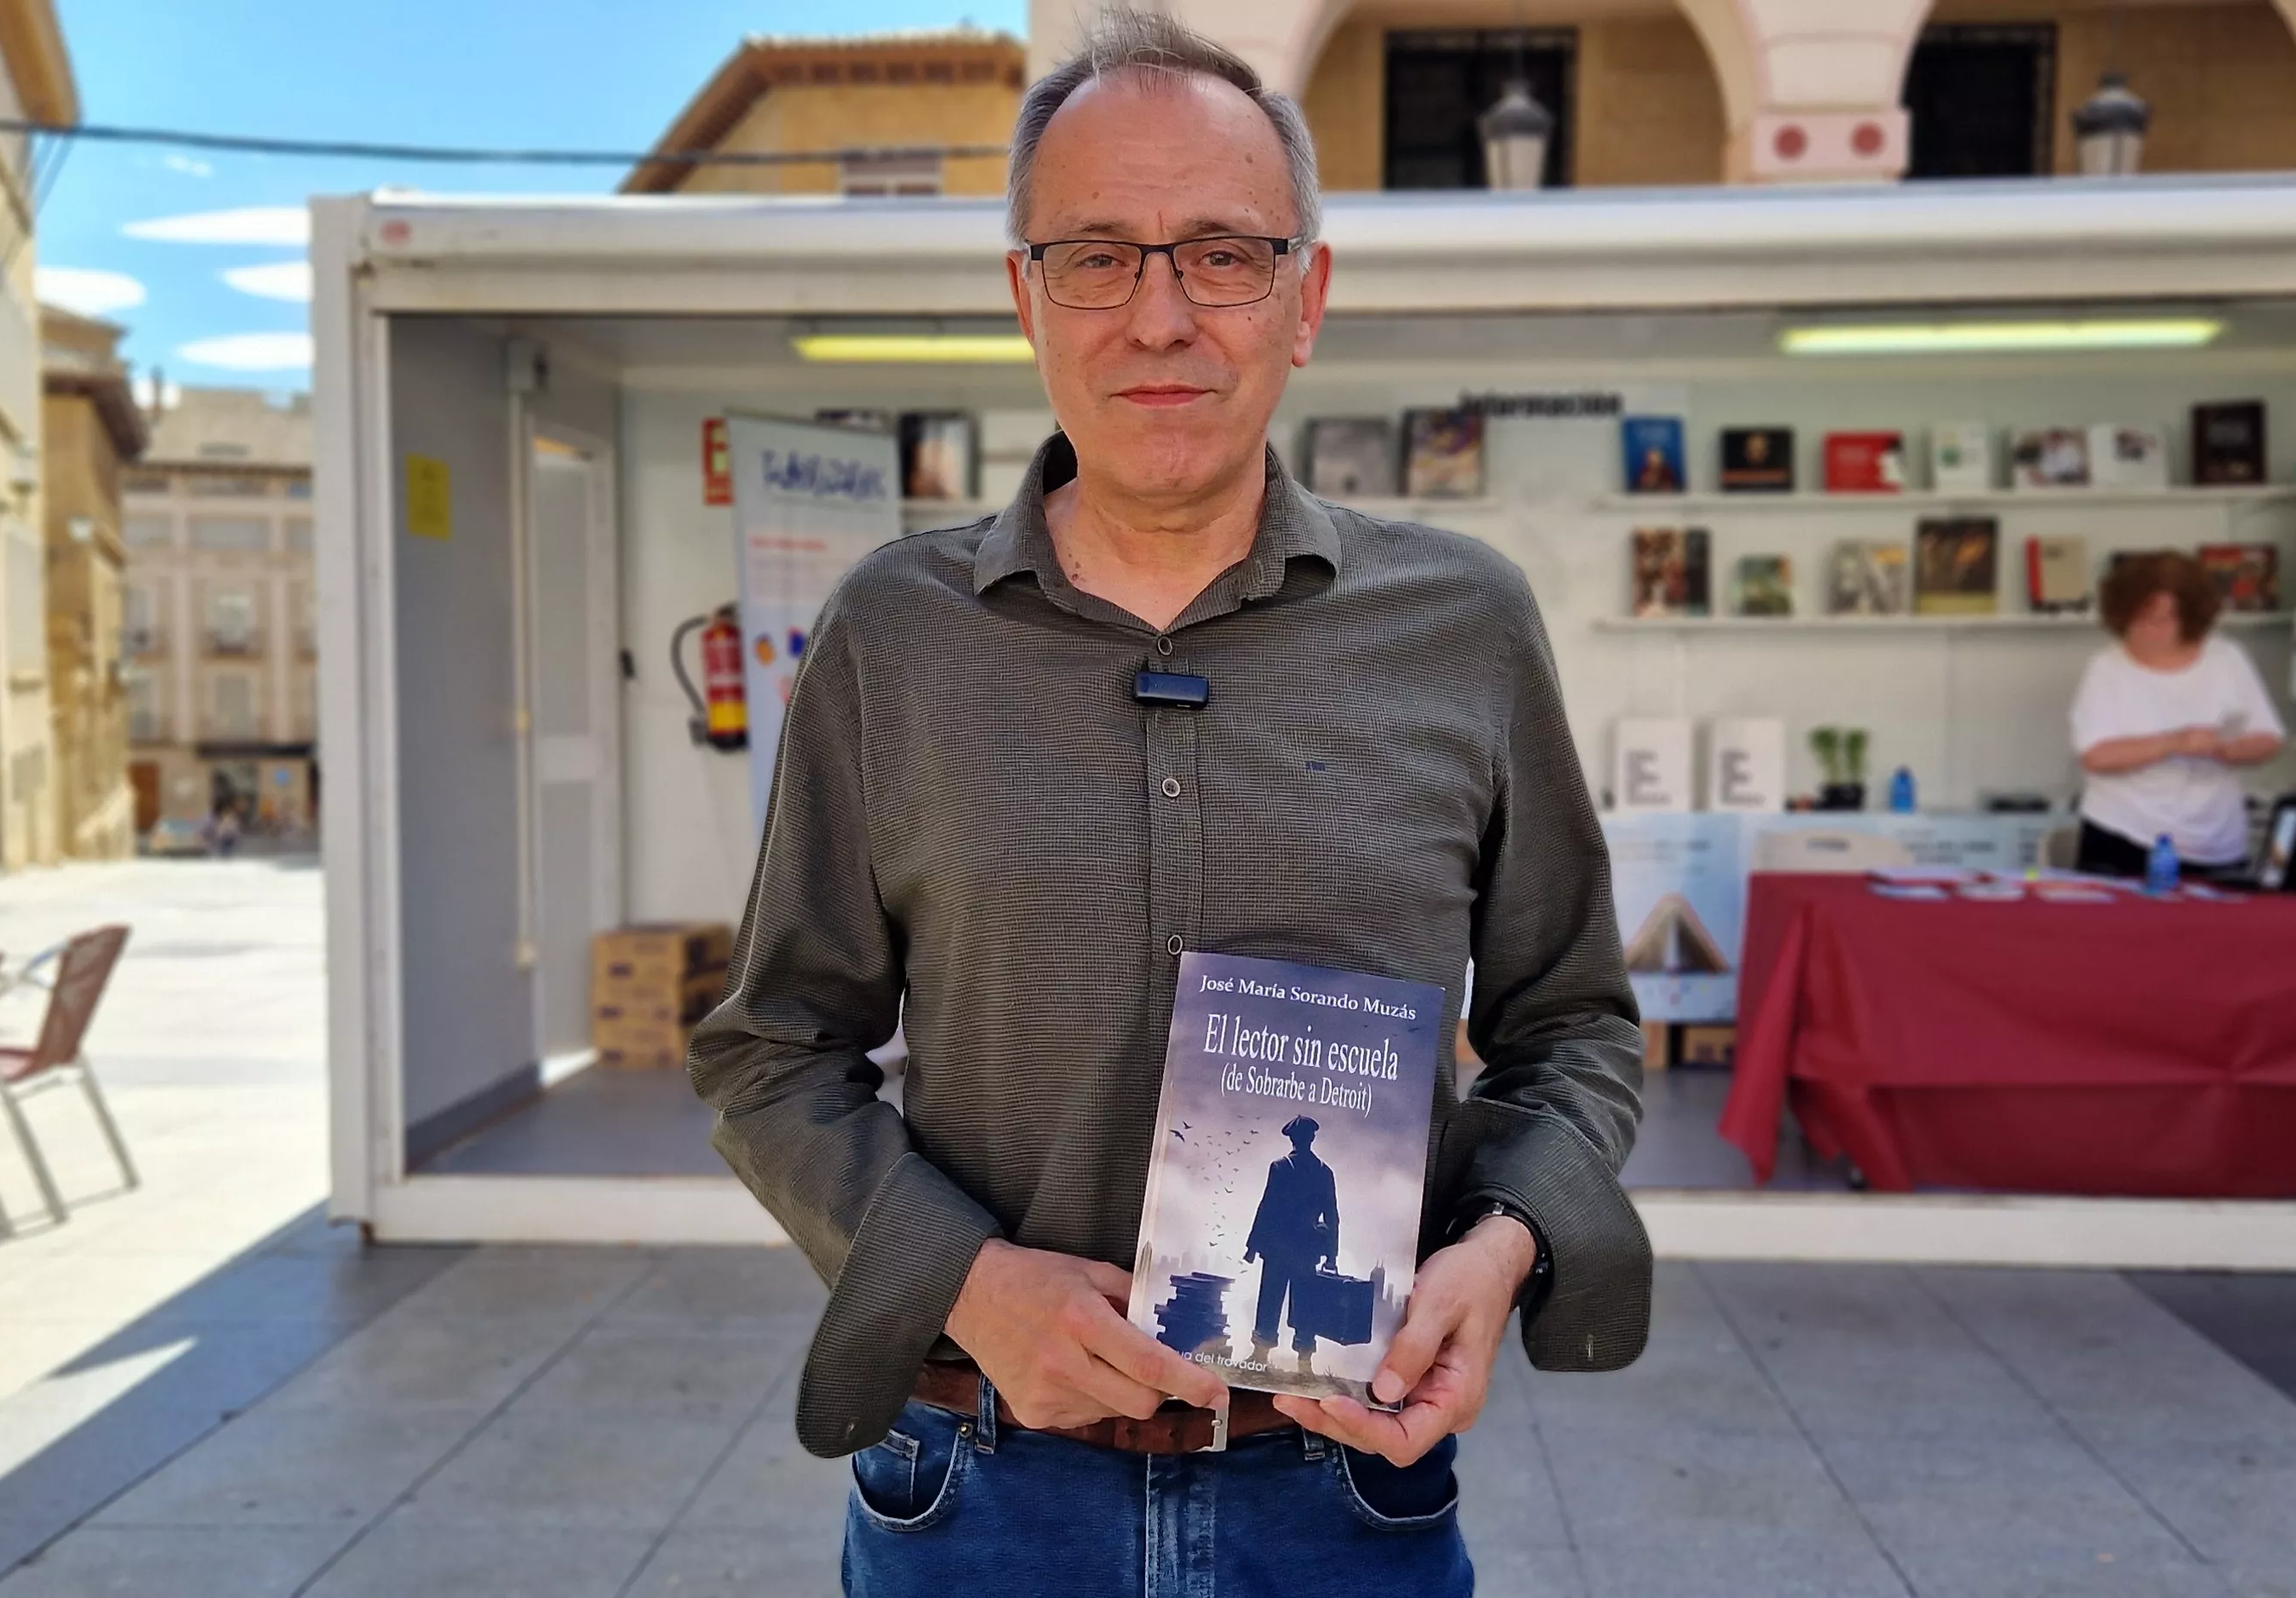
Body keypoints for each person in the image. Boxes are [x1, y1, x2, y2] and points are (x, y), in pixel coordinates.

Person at [687, 11, 1648, 1595]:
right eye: (1095, 257)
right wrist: (969, 1282)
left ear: (1305, 297)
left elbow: (1576, 1024)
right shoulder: (894, 635)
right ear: (1026, 297)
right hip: (977, 1491)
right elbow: (771, 1049)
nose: (1160, 316)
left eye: (1221, 254)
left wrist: (1505, 1244)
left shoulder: (1465, 625)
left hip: (1347, 1493)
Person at [2070, 551, 2286, 876]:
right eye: (2138, 618)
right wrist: (2173, 743)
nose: (2148, 630)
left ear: (2190, 617)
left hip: (2217, 840)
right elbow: (2096, 756)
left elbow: (2269, 740)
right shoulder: (2107, 668)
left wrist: (2225, 749)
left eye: (2162, 620)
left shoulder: (2227, 658)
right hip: (2125, 832)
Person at [1243, 1115, 1340, 1372]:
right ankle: (1304, 1363)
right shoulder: (1324, 1172)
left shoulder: (1280, 1167)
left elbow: (1267, 1208)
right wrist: (1331, 1255)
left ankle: (1261, 1355)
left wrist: (1253, 1246)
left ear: (1293, 1139)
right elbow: (1332, 1217)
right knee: (1305, 1305)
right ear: (1311, 1138)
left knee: (1270, 1300)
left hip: (1278, 1248)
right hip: (1307, 1250)